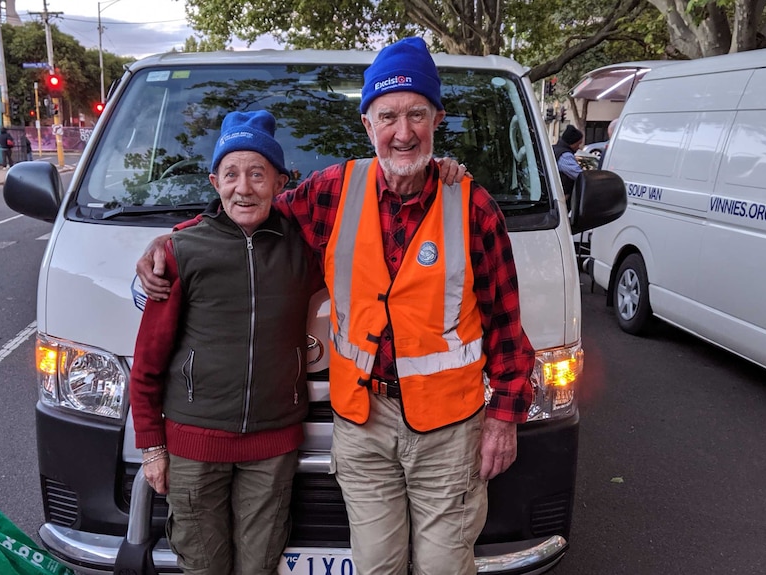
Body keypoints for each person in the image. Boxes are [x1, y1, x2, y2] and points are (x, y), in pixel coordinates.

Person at [137, 37, 535, 575]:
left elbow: (506, 326)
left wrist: (505, 417)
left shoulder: (474, 206)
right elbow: (247, 209)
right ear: (367, 124)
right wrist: (170, 240)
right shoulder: (331, 191)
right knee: (376, 566)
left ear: (437, 119)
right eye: (387, 115)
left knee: (444, 566)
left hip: (449, 429)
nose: (402, 131)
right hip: (362, 423)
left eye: (416, 113)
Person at [129, 110, 319, 575]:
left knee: (259, 567)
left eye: (258, 174)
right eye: (231, 174)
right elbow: (148, 361)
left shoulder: (305, 247)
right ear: (215, 182)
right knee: (203, 567)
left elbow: (373, 205)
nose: (244, 187)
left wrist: (443, 173)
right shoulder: (180, 252)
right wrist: (152, 447)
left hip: (273, 446)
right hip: (194, 445)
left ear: (280, 182)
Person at [553, 124, 584, 210]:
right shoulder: (565, 155)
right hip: (562, 199)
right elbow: (579, 175)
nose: (579, 147)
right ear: (571, 143)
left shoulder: (555, 149)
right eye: (578, 144)